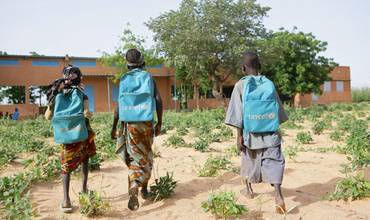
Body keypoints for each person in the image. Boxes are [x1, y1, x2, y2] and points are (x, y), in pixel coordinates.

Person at [225, 51, 288, 214]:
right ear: (259, 66)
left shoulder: (241, 85)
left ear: (243, 68)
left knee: (248, 161)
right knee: (274, 161)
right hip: (270, 132)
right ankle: (278, 195)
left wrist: (238, 136)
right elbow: (278, 111)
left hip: (250, 134)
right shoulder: (269, 83)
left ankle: (248, 190)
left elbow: (237, 114)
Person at [111, 48, 163, 211]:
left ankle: (133, 186)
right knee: (146, 155)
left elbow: (119, 107)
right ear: (143, 63)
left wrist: (114, 127)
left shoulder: (124, 80)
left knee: (134, 157)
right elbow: (158, 100)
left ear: (127, 65)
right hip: (146, 123)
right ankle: (144, 189)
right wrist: (159, 121)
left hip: (130, 125)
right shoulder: (148, 77)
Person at [45, 65, 96, 213]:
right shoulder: (81, 94)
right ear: (79, 77)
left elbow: (47, 116)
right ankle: (84, 190)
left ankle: (66, 200)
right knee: (84, 160)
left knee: (65, 167)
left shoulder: (57, 95)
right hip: (82, 134)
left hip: (66, 137)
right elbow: (87, 114)